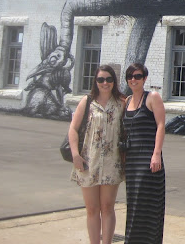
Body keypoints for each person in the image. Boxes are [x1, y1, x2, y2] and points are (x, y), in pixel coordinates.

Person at [69, 64, 125, 244]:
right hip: (88, 162)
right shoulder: (87, 102)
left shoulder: (121, 103)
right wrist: (75, 155)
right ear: (95, 81)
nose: (105, 83)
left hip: (112, 163)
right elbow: (73, 129)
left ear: (114, 81)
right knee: (92, 209)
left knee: (107, 207)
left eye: (109, 79)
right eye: (101, 79)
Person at [123, 63, 166, 243]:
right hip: (132, 160)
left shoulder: (152, 97)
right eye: (130, 76)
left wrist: (156, 154)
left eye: (138, 76)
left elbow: (161, 125)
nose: (133, 80)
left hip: (148, 159)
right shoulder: (127, 101)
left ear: (144, 78)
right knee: (133, 205)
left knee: (148, 205)